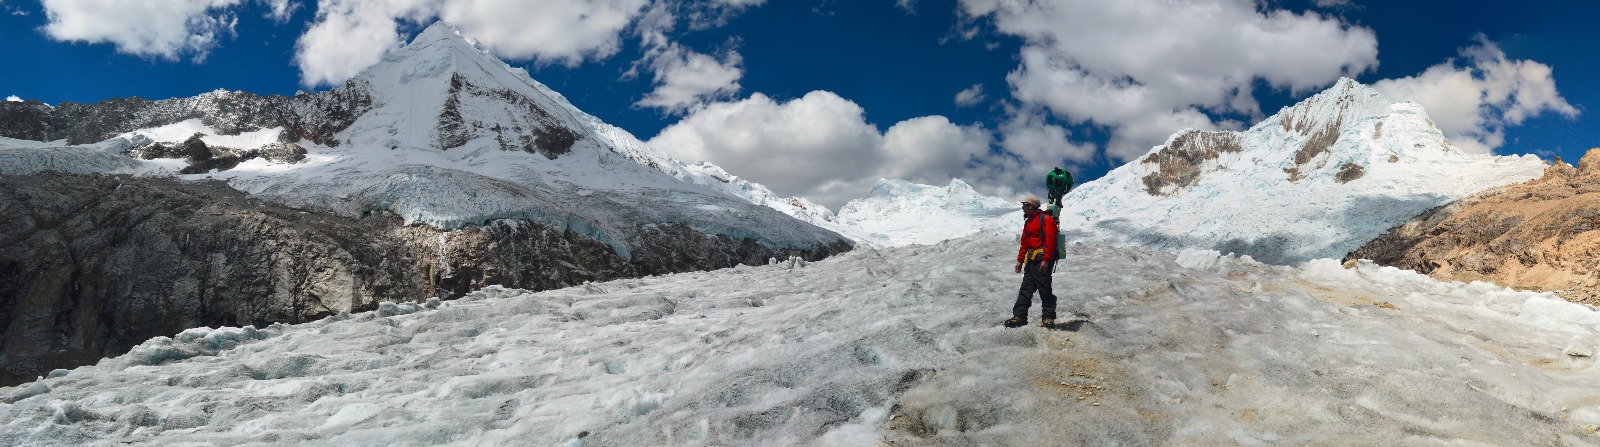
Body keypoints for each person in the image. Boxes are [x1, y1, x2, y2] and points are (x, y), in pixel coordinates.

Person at [1007, 196, 1058, 328]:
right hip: (1031, 261)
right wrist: (1020, 261)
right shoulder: (1028, 221)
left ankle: (1048, 317)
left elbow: (1051, 241)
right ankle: (1019, 316)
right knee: (1026, 289)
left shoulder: (1046, 219)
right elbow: (1024, 243)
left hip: (1042, 260)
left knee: (1044, 288)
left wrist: (1046, 260)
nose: (1022, 208)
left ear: (1031, 206)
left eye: (1024, 205)